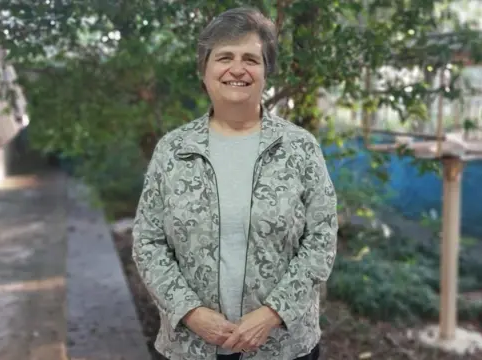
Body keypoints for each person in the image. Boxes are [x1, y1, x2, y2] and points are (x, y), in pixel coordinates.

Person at [132, 6, 337, 360]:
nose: (237, 69)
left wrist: (272, 313)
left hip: (284, 348)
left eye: (251, 59)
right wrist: (191, 313)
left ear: (265, 71)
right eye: (224, 57)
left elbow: (321, 238)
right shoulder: (174, 150)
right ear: (204, 70)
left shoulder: (299, 147)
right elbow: (147, 241)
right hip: (190, 347)